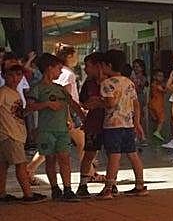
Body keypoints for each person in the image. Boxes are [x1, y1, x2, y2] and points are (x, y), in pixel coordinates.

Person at [25, 54, 81, 201]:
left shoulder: (60, 89)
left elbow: (73, 103)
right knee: (50, 159)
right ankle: (55, 188)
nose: (61, 72)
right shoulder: (37, 89)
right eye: (58, 69)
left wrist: (83, 116)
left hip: (62, 130)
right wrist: (47, 104)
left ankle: (68, 189)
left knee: (65, 158)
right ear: (49, 68)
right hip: (46, 130)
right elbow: (28, 108)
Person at [97, 49, 147, 199]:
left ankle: (109, 187)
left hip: (113, 125)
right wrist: (137, 122)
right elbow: (136, 104)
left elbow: (110, 103)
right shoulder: (129, 82)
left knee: (114, 155)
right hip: (128, 124)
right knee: (133, 154)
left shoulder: (107, 83)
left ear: (109, 65)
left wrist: (99, 102)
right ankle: (140, 184)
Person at [1, 60, 45, 202]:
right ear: (4, 75)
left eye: (18, 74)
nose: (15, 78)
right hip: (9, 134)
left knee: (3, 164)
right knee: (20, 164)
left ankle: (1, 193)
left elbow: (18, 113)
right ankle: (28, 194)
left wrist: (30, 110)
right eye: (11, 75)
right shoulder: (3, 92)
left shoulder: (15, 93)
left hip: (15, 133)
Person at [76, 53, 107, 194]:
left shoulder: (112, 81)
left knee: (113, 154)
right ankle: (83, 184)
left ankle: (111, 183)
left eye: (87, 66)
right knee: (89, 154)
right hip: (93, 124)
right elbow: (84, 102)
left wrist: (99, 102)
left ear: (98, 66)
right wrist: (92, 103)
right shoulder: (88, 84)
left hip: (110, 123)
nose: (85, 69)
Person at [148, 70, 166, 143]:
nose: (161, 78)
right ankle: (157, 131)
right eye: (159, 76)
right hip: (157, 104)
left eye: (162, 76)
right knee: (162, 119)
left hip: (152, 103)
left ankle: (155, 132)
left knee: (156, 120)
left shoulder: (153, 84)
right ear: (154, 77)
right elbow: (164, 91)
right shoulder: (157, 85)